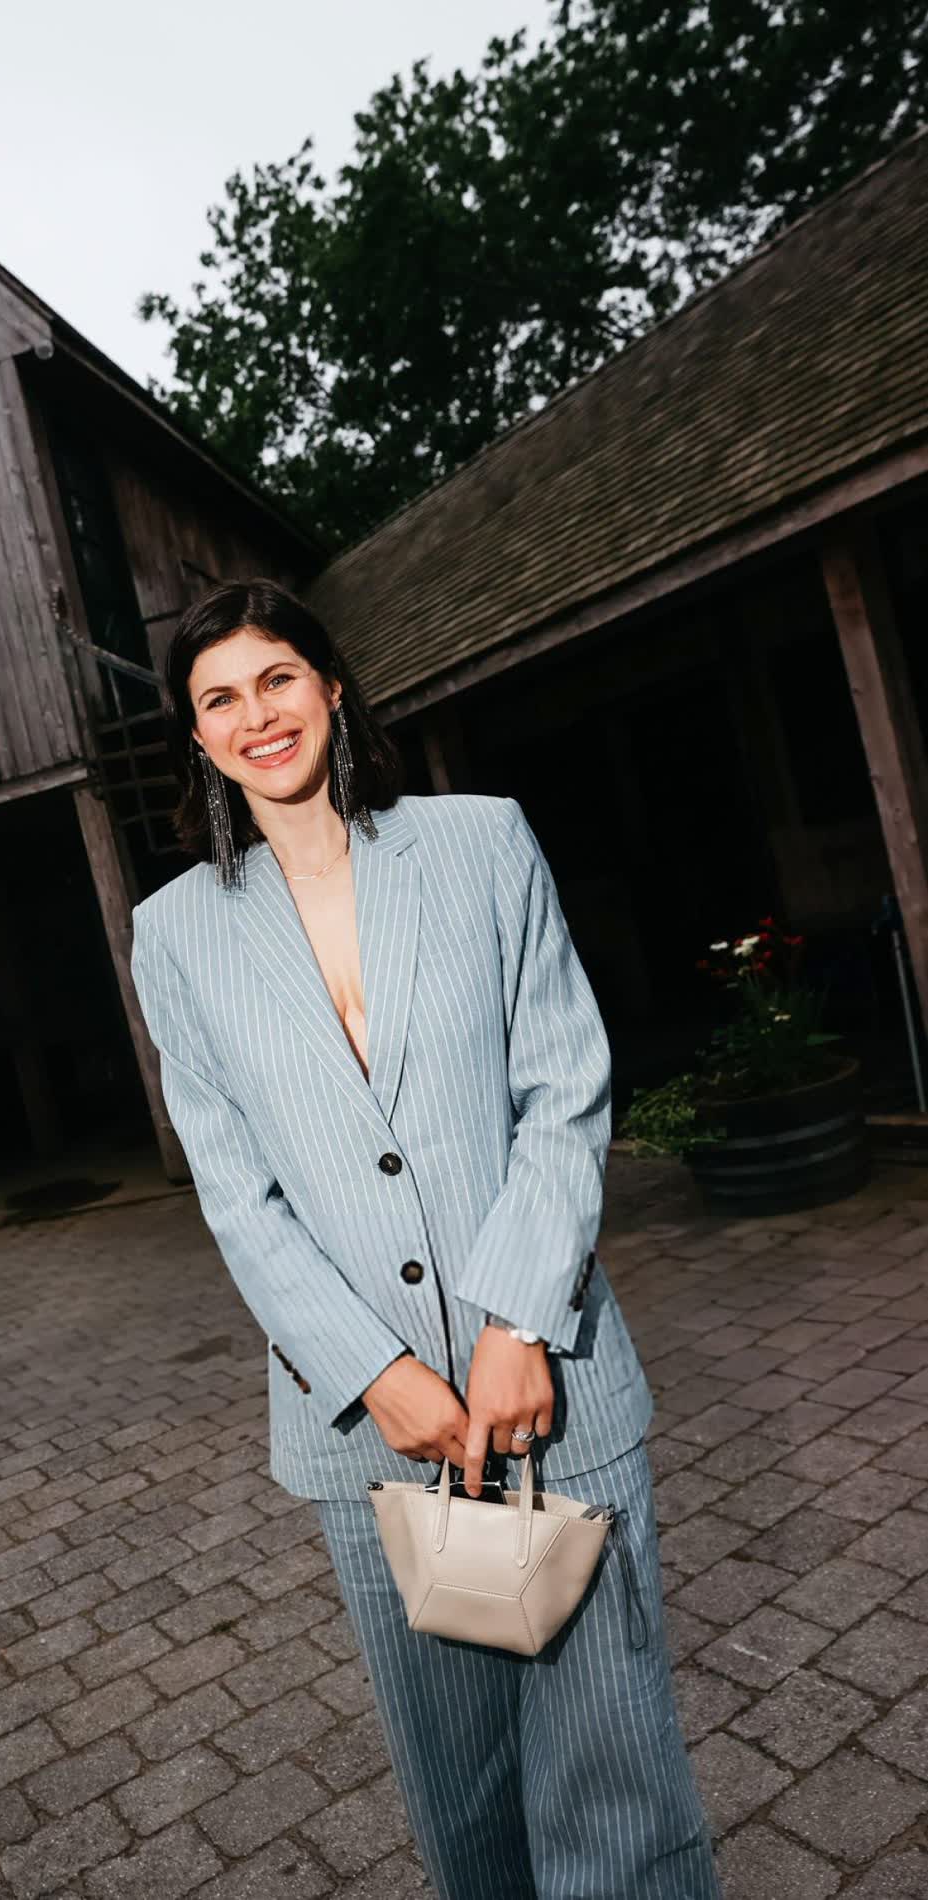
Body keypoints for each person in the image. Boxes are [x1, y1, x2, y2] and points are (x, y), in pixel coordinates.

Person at [129, 578, 721, 1900]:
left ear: (332, 687)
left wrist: (517, 1321)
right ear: (198, 738)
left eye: (276, 678)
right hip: (371, 1435)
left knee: (615, 1774)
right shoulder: (172, 935)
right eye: (218, 699)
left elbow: (563, 1091)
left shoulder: (480, 842)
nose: (255, 715)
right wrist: (375, 1375)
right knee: (464, 1795)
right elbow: (236, 1194)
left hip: (550, 1390)